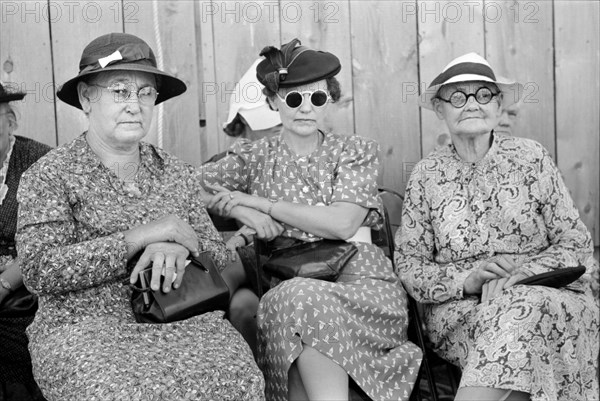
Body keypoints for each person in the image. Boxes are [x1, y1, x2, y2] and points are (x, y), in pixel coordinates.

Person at [15, 33, 264, 400]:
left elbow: (217, 252)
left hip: (182, 320)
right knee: (124, 390)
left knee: (237, 376)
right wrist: (142, 236)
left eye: (146, 93)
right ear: (86, 97)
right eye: (120, 92)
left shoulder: (173, 172)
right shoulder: (50, 175)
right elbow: (39, 268)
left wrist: (181, 246)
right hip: (84, 328)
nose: (135, 105)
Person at [200, 38, 421, 401]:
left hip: (361, 282)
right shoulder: (254, 156)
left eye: (317, 98)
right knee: (297, 304)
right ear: (273, 102)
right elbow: (183, 187)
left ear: (330, 101)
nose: (305, 108)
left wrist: (263, 204)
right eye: (293, 98)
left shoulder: (354, 151)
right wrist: (238, 209)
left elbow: (342, 224)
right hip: (290, 283)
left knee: (301, 306)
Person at [396, 52, 599, 401]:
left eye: (483, 94)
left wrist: (522, 276)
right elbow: (410, 266)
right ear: (440, 110)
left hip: (550, 293)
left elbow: (575, 242)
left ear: (498, 105)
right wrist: (468, 280)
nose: (472, 104)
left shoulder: (531, 157)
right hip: (465, 309)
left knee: (527, 310)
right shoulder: (425, 176)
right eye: (457, 97)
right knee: (520, 326)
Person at [0, 83, 51, 399]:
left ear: (10, 120)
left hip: (26, 291)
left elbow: (45, 241)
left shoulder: (40, 163)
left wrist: (4, 283)